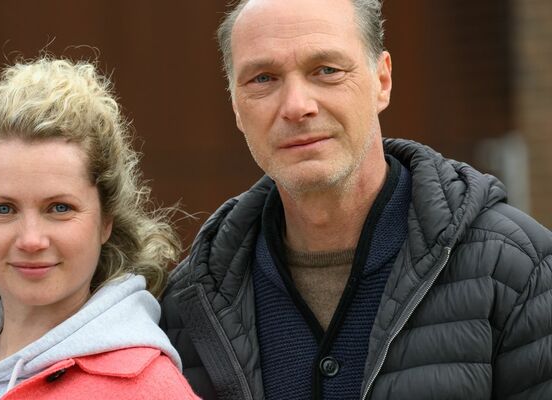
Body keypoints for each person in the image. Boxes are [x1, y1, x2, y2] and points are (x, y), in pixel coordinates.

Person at [159, 0, 552, 399]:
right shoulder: (188, 305)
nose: (297, 106)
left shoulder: (517, 268)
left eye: (326, 70)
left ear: (381, 81)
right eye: (263, 78)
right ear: (236, 108)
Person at [0, 57, 199, 400]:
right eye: (3, 208)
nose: (31, 239)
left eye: (59, 208)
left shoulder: (149, 390)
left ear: (106, 222)